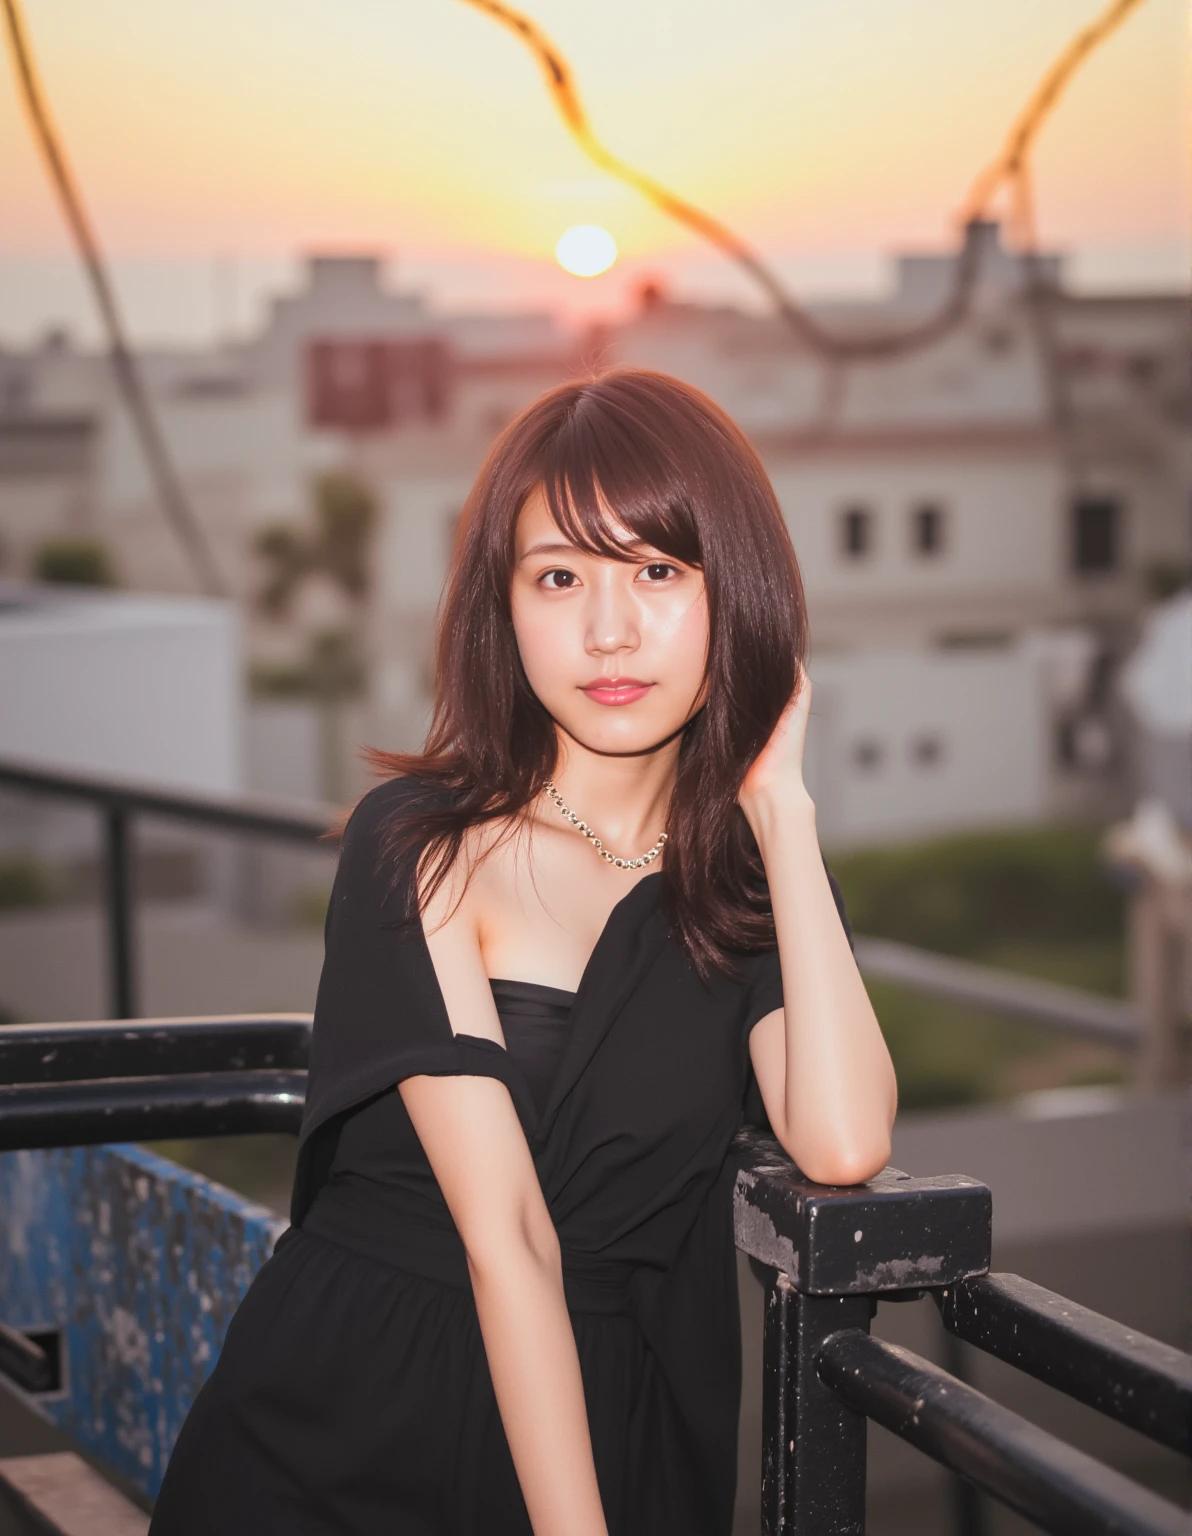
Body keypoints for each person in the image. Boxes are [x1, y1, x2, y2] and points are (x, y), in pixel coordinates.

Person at [149, 368, 897, 1536]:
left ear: (733, 594)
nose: (609, 629)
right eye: (559, 577)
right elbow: (508, 1236)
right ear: (505, 609)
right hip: (351, 1411)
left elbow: (843, 1140)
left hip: (608, 1416)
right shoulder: (423, 843)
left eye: (657, 572)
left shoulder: (749, 893)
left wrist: (784, 815)